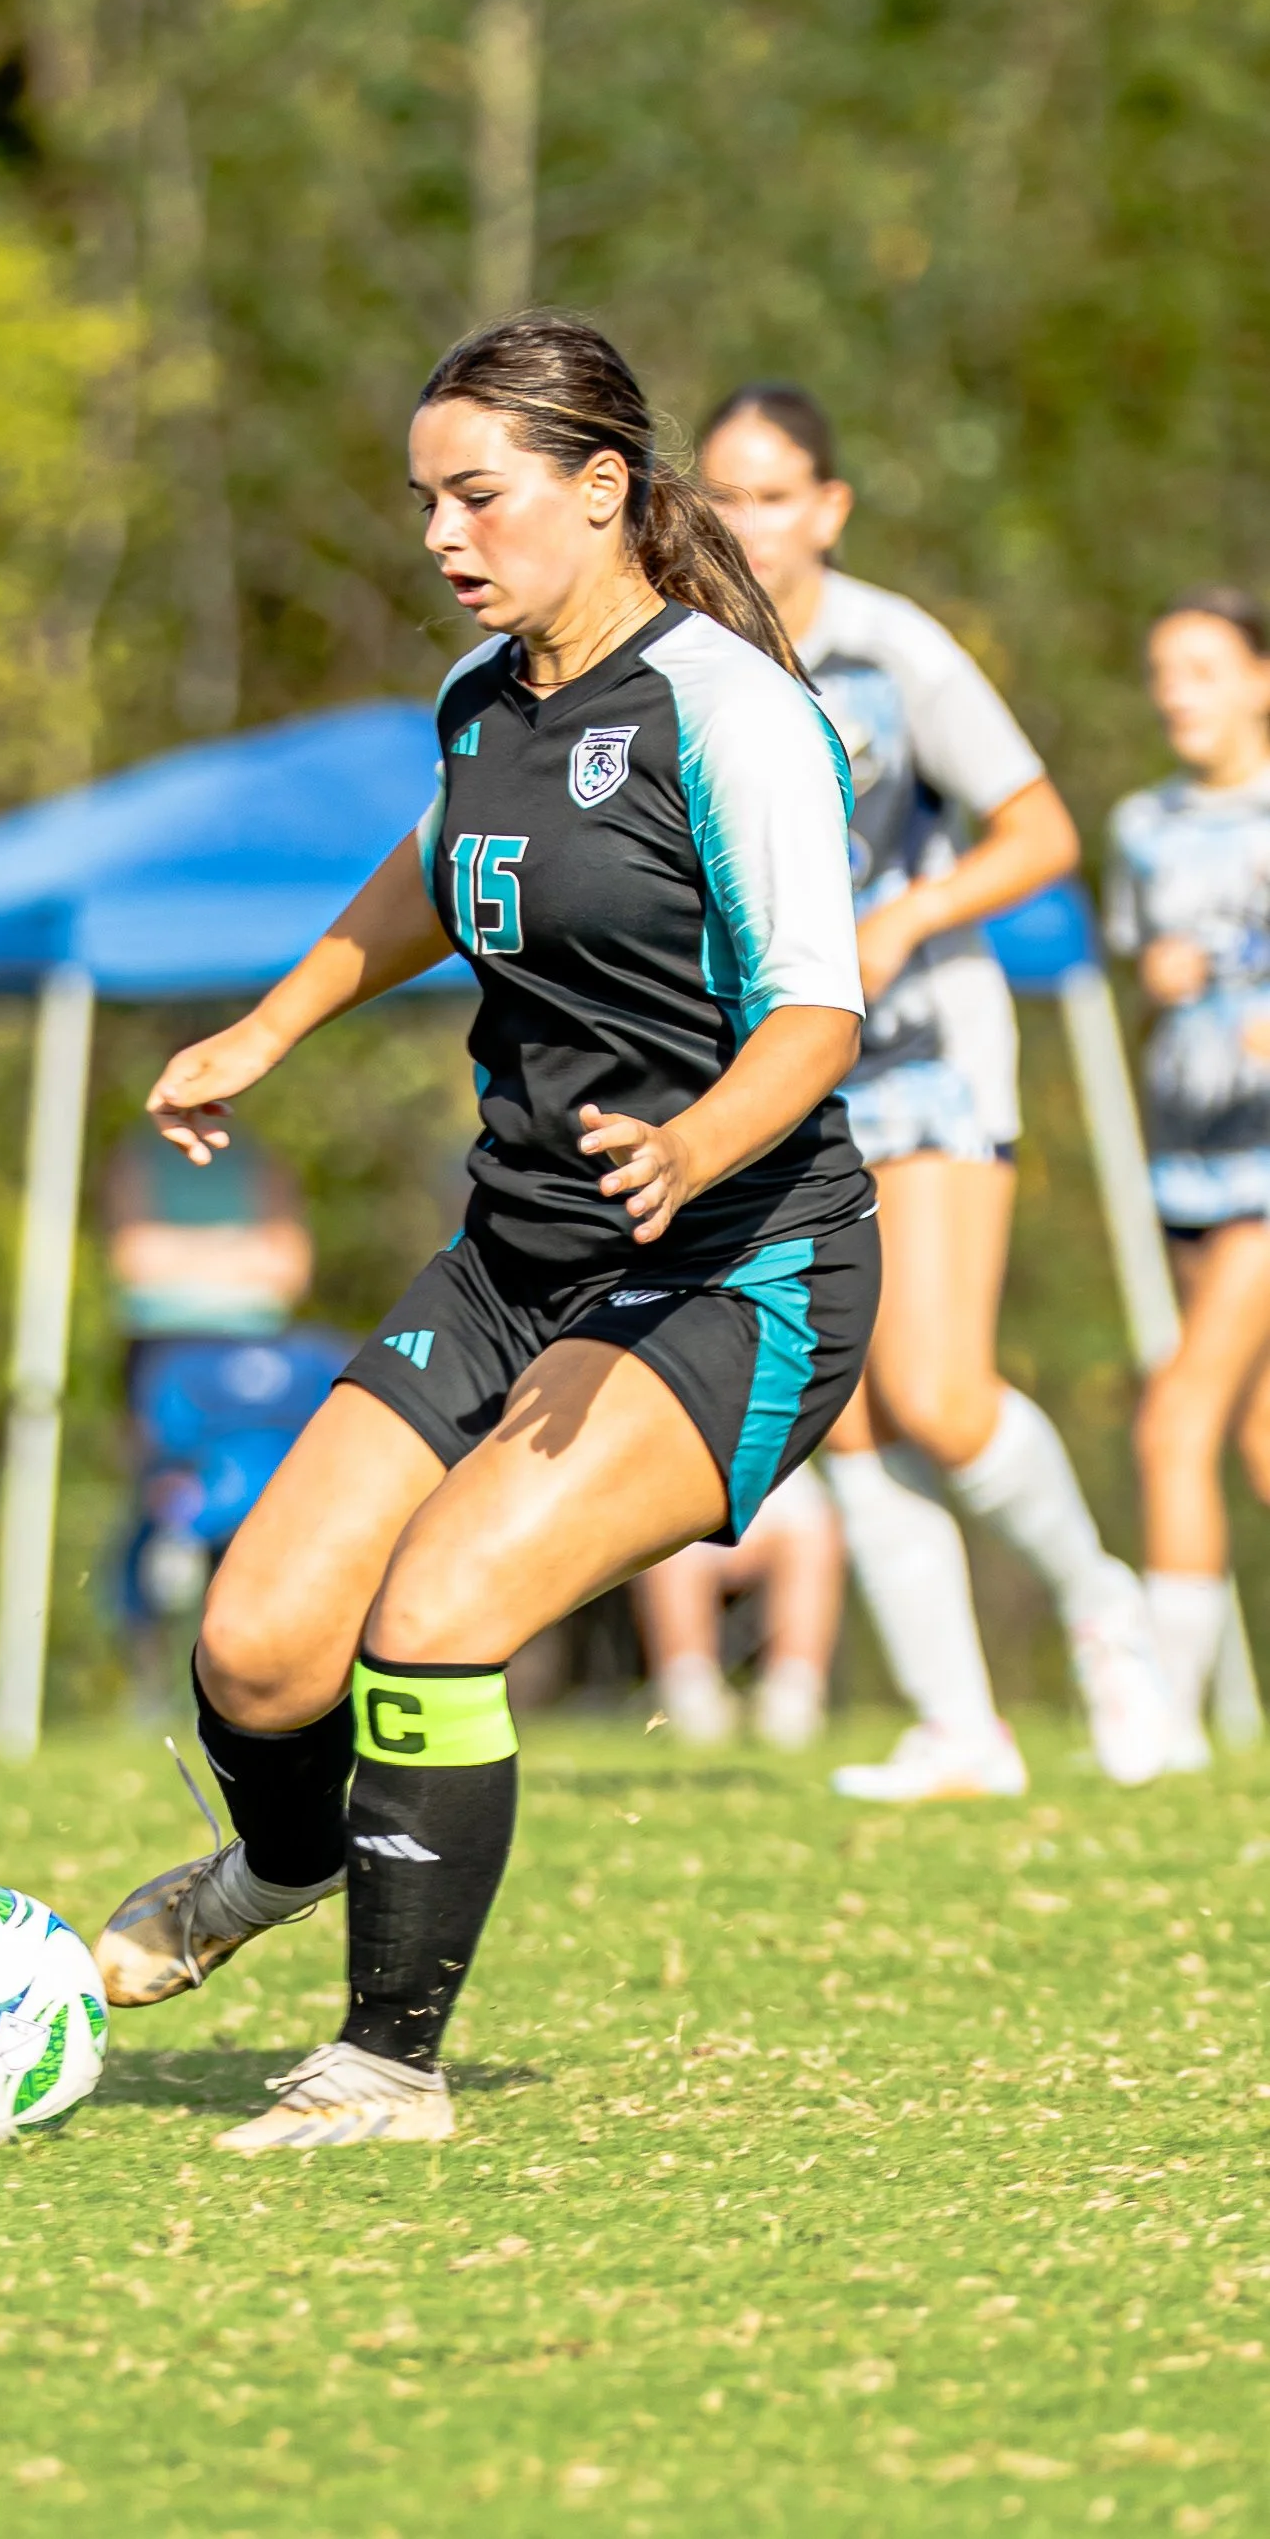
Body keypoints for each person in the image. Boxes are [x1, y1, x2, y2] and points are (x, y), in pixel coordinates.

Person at [93, 310, 879, 2152]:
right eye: (423, 500)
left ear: (600, 489)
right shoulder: (480, 699)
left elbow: (816, 1017)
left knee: (432, 1618)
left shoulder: (732, 710)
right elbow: (440, 876)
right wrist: (268, 1023)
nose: (443, 535)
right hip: (516, 1259)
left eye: (478, 495)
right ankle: (277, 1864)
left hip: (734, 1271)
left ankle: (384, 2061)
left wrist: (690, 1144)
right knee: (258, 1641)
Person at [700, 385, 1169, 1797]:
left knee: (940, 1389)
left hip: (927, 1050)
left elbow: (1042, 831)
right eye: (723, 494)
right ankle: (960, 1726)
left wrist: (907, 918)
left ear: (829, 508)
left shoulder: (896, 653)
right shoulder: (688, 660)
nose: (749, 523)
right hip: (785, 1067)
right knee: (845, 1402)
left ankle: (1108, 1612)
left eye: (775, 494)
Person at [1109, 588, 1270, 1768]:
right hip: (1184, 1159)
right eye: (1165, 672)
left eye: (1204, 670)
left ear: (1259, 680)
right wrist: (1159, 975)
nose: (1178, 695)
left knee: (1173, 1425)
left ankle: (1160, 1721)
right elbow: (1147, 957)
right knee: (1258, 1440)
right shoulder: (1141, 824)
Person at [104, 1122, 352, 1704]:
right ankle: (154, 1684)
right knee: (162, 1522)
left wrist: (182, 1255)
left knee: (260, 1524)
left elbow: (287, 1271)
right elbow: (134, 1260)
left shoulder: (261, 1156)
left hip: (263, 1362)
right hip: (164, 1358)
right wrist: (239, 1252)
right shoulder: (136, 1157)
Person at [632, 1458, 842, 1751]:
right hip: (689, 1476)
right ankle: (690, 1689)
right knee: (667, 1532)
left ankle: (793, 1693)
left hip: (776, 1473)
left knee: (815, 1531)